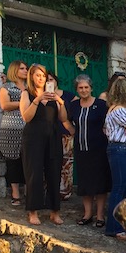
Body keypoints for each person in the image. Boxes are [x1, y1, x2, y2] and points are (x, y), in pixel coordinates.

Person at [20, 63, 68, 226]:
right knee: (34, 174)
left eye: (43, 76)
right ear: (31, 77)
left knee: (54, 173)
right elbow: (26, 117)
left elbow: (63, 118)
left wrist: (60, 102)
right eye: (37, 75)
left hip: (53, 138)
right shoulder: (27, 94)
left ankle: (55, 212)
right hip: (33, 138)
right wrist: (38, 100)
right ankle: (33, 212)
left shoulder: (54, 95)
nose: (41, 78)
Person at [64, 74, 110, 227]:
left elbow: (109, 122)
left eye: (86, 87)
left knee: (99, 182)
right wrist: (72, 131)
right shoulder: (74, 106)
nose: (83, 90)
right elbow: (66, 120)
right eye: (80, 88)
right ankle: (87, 214)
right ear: (76, 89)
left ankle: (100, 216)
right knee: (85, 182)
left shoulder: (101, 104)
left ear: (91, 88)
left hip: (98, 149)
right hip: (81, 149)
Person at [103, 78, 126, 240]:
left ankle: (125, 226)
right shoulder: (118, 110)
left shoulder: (123, 110)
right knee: (119, 188)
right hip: (120, 150)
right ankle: (113, 227)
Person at [0, 60, 28, 206]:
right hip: (11, 129)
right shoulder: (7, 87)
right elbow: (5, 105)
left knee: (28, 160)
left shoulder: (30, 87)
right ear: (15, 70)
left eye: (26, 68)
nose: (25, 70)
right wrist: (24, 103)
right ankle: (15, 193)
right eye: (22, 68)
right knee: (13, 161)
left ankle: (29, 190)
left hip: (29, 128)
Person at [46, 71, 76, 200]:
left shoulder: (69, 95)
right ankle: (48, 192)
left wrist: (73, 127)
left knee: (66, 164)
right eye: (47, 80)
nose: (49, 82)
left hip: (65, 134)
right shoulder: (42, 96)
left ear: (56, 81)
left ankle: (65, 192)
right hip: (48, 133)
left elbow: (79, 110)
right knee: (49, 163)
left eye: (51, 79)